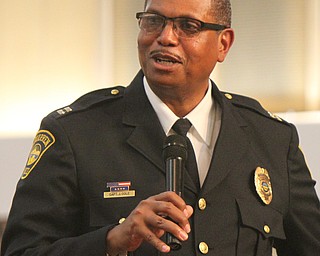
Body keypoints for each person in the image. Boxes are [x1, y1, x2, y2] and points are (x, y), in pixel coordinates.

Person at [1, 0, 320, 255]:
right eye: (153, 21)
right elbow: (22, 251)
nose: (165, 37)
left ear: (223, 44)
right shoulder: (74, 133)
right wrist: (110, 242)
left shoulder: (273, 140)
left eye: (188, 26)